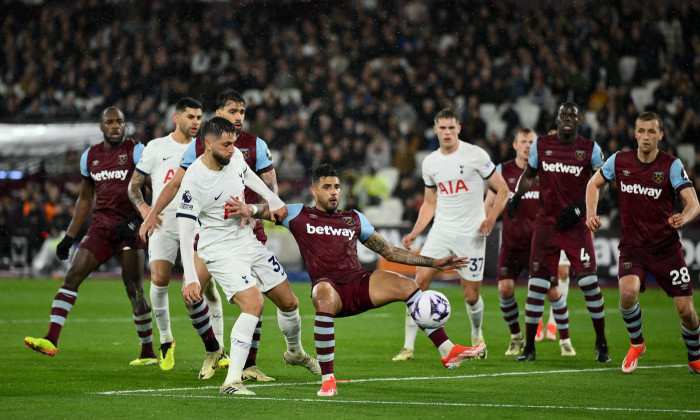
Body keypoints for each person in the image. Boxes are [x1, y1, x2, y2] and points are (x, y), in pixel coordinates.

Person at [226, 164, 486, 397]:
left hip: (359, 283)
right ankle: (328, 379)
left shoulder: (353, 218)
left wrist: (433, 261)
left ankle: (447, 351)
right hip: (330, 290)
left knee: (409, 285)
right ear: (314, 190)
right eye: (326, 187)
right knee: (323, 293)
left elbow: (390, 252)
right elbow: (268, 210)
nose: (333, 192)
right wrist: (248, 209)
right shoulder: (298, 214)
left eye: (336, 187)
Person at [140, 89, 318, 381]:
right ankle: (217, 354)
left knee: (280, 301)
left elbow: (260, 182)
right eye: (233, 112)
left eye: (242, 113)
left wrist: (264, 206)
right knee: (207, 294)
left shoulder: (247, 148)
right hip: (213, 236)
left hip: (248, 228)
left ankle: (257, 362)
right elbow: (177, 192)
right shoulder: (198, 160)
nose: (238, 118)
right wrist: (152, 213)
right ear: (218, 118)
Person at [24, 107, 157, 365]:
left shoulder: (136, 151)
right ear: (102, 127)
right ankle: (51, 339)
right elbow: (84, 199)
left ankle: (148, 351)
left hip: (130, 231)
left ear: (124, 125)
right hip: (101, 229)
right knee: (72, 275)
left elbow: (152, 187)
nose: (116, 126)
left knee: (135, 290)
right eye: (110, 122)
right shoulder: (90, 156)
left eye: (120, 122)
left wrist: (141, 218)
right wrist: (69, 236)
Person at [175, 116, 290, 395]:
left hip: (246, 239)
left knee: (288, 300)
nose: (232, 149)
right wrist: (190, 277)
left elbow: (247, 174)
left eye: (234, 144)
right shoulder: (194, 180)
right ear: (208, 144)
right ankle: (232, 381)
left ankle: (295, 353)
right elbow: (186, 233)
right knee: (254, 304)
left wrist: (272, 199)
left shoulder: (234, 155)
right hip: (218, 249)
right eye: (226, 145)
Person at [586, 111, 700, 374]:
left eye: (651, 132)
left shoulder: (670, 165)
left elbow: (693, 203)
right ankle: (637, 343)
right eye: (641, 131)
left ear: (660, 135)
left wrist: (684, 216)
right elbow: (594, 184)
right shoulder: (619, 160)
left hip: (666, 249)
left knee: (686, 311)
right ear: (634, 133)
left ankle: (694, 356)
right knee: (627, 294)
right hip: (633, 247)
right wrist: (591, 212)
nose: (646, 136)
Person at [393, 108, 509, 362]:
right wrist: (415, 232)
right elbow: (429, 203)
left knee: (471, 295)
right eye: (442, 128)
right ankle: (408, 347)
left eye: (451, 127)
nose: (446, 132)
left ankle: (476, 335)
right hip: (441, 231)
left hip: (471, 234)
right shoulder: (430, 162)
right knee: (416, 284)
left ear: (458, 129)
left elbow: (503, 189)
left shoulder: (475, 155)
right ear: (435, 130)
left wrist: (490, 218)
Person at [507, 101, 610, 363]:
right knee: (537, 286)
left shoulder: (590, 149)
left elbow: (603, 184)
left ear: (579, 120)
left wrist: (580, 210)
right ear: (556, 118)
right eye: (562, 114)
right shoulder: (542, 145)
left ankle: (601, 343)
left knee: (588, 283)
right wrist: (517, 196)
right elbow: (529, 174)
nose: (566, 118)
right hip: (547, 225)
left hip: (577, 226)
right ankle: (529, 348)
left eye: (571, 115)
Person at [129, 97, 225, 372]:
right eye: (191, 117)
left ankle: (219, 346)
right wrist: (146, 209)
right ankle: (166, 340)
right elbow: (134, 187)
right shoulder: (156, 147)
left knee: (204, 287)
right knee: (158, 278)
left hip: (197, 227)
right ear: (177, 118)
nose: (196, 122)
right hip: (164, 226)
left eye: (199, 117)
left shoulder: (206, 147)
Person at [484, 128, 574, 357]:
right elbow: (490, 201)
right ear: (515, 145)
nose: (526, 145)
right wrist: (486, 220)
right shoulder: (502, 171)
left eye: (531, 142)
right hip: (512, 246)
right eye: (523, 141)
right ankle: (516, 338)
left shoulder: (545, 171)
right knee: (504, 289)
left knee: (553, 292)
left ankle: (565, 340)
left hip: (540, 246)